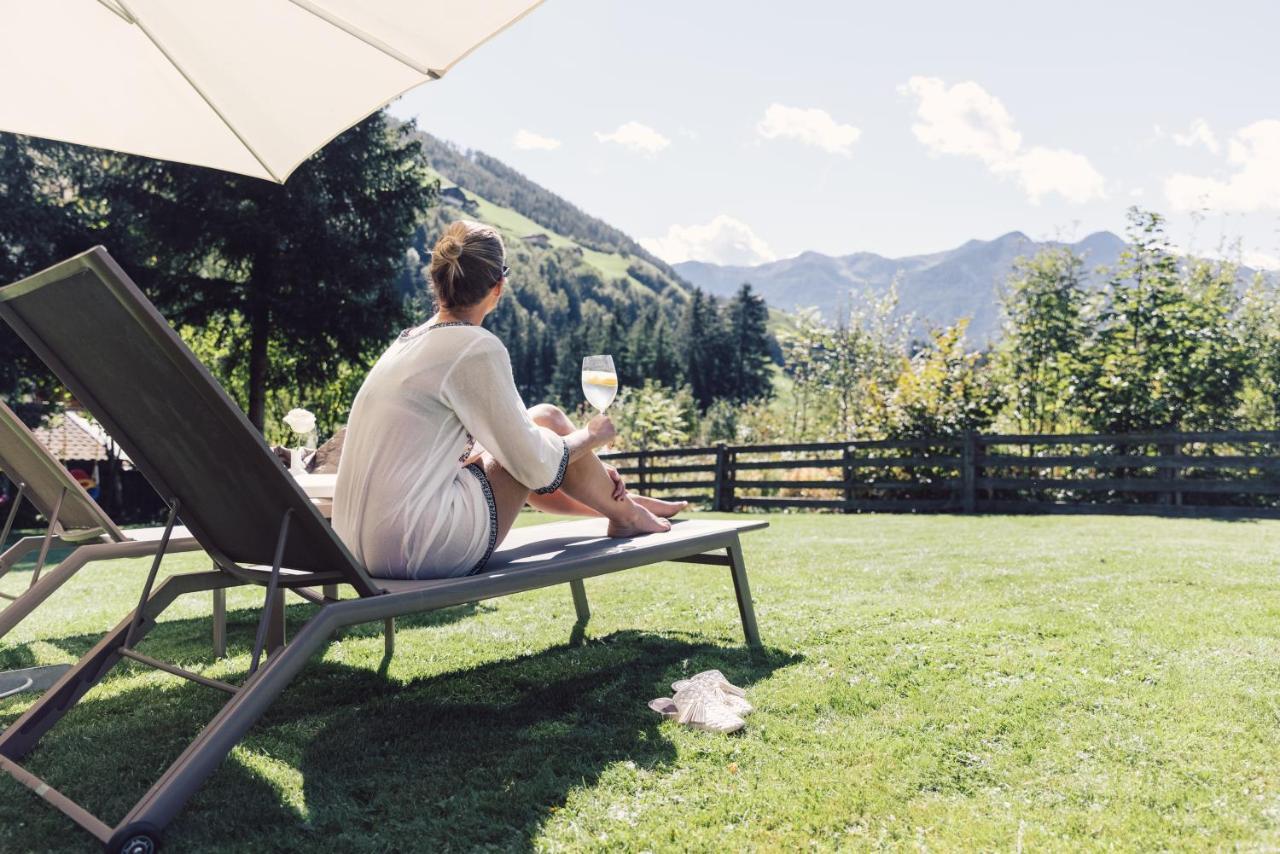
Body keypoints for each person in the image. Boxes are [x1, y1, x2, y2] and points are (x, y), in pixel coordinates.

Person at [333, 220, 686, 580]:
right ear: (498, 286)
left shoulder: (406, 343)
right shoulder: (474, 347)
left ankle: (622, 508)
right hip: (415, 546)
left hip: (356, 545)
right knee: (543, 426)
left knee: (541, 424)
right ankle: (627, 513)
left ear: (436, 281)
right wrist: (591, 437)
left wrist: (578, 457)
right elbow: (532, 465)